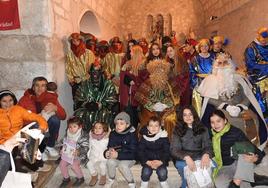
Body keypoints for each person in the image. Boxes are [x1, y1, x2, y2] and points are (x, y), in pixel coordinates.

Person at [198, 53, 268, 148]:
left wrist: (240, 107)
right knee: (228, 121)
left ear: (230, 64)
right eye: (220, 63)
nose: (222, 66)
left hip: (241, 107)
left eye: (225, 62)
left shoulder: (240, 78)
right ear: (215, 65)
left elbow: (247, 96)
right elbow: (208, 99)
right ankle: (230, 149)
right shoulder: (209, 80)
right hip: (221, 109)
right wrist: (226, 107)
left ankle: (250, 148)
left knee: (251, 118)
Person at [209, 110, 268, 188]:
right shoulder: (210, 134)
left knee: (243, 149)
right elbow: (205, 148)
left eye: (218, 121)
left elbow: (252, 147)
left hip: (239, 163)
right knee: (219, 184)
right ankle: (252, 178)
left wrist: (256, 158)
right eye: (212, 122)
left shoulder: (235, 132)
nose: (215, 125)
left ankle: (237, 182)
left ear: (225, 120)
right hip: (224, 167)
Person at [0, 89, 49, 178]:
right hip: (4, 143)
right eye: (4, 101)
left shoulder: (18, 109)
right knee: (10, 163)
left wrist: (42, 127)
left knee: (32, 138)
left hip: (19, 138)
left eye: (10, 100)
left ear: (14, 100)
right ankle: (23, 173)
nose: (8, 103)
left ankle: (36, 165)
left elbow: (36, 117)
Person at [18, 76, 66, 159]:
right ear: (33, 87)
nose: (40, 88)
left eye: (43, 85)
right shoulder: (25, 99)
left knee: (55, 119)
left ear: (47, 88)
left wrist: (56, 108)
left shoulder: (51, 98)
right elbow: (18, 117)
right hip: (31, 128)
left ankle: (49, 146)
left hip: (44, 127)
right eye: (37, 85)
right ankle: (39, 150)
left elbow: (63, 116)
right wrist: (35, 119)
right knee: (38, 124)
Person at [135, 59, 180, 140]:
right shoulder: (147, 82)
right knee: (151, 120)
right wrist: (152, 106)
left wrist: (165, 104)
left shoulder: (169, 82)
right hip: (149, 109)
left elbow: (175, 97)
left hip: (166, 108)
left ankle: (169, 141)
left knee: (170, 119)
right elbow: (140, 97)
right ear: (152, 71)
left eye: (161, 69)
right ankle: (149, 142)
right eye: (156, 69)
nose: (159, 72)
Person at [170, 105, 214, 188]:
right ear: (181, 117)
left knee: (204, 176)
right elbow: (174, 150)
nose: (188, 117)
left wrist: (206, 154)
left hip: (200, 157)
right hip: (184, 157)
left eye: (190, 114)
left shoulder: (203, 128)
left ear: (194, 115)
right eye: (185, 115)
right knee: (194, 176)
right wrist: (186, 157)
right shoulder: (177, 130)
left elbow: (208, 145)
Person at [74, 61, 117, 131]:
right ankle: (82, 136)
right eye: (93, 72)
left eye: (97, 72)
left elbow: (113, 98)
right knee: (79, 114)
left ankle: (102, 136)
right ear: (90, 73)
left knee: (103, 114)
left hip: (103, 108)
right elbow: (78, 99)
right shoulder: (84, 84)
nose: (94, 75)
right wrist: (87, 104)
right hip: (87, 108)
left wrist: (101, 104)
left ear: (101, 73)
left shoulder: (108, 84)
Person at [104, 112, 138, 188]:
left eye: (121, 123)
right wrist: (108, 152)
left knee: (122, 165)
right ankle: (111, 179)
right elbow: (110, 146)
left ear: (127, 125)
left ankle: (131, 183)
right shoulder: (113, 133)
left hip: (130, 158)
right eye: (117, 123)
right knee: (110, 162)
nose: (118, 126)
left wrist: (118, 155)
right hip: (117, 156)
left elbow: (134, 153)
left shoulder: (132, 135)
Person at [120, 45, 148, 128]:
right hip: (129, 93)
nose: (130, 53)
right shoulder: (128, 63)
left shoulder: (143, 64)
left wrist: (133, 80)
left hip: (138, 95)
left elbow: (143, 81)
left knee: (135, 114)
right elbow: (124, 76)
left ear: (136, 53)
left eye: (132, 52)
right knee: (130, 113)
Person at [138, 116, 170, 188]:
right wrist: (146, 161)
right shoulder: (144, 137)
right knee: (146, 172)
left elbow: (167, 151)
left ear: (160, 127)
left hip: (160, 160)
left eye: (156, 126)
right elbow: (140, 151)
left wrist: (162, 161)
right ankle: (144, 183)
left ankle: (163, 182)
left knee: (162, 172)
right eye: (151, 125)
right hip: (148, 160)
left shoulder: (163, 136)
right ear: (148, 127)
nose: (153, 128)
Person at [244, 27, 268, 115]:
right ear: (258, 35)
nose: (265, 40)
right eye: (263, 37)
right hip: (259, 80)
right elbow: (251, 65)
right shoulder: (251, 48)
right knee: (263, 105)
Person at [59, 117, 89, 188]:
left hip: (79, 155)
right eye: (70, 127)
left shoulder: (83, 136)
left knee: (74, 165)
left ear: (80, 127)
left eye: (74, 126)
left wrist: (79, 151)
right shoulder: (67, 133)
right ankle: (66, 178)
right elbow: (63, 142)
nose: (72, 129)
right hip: (68, 154)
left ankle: (80, 178)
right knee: (61, 164)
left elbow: (86, 147)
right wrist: (61, 149)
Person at [66, 33, 95, 99]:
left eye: (77, 40)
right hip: (76, 82)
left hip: (88, 81)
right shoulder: (69, 54)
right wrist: (71, 81)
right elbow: (68, 68)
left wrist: (89, 78)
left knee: (88, 101)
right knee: (77, 102)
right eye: (73, 41)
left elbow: (92, 67)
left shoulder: (89, 53)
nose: (75, 43)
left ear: (81, 41)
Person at [86, 122, 110, 186]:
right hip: (94, 155)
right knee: (89, 164)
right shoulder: (92, 138)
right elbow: (90, 146)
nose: (97, 129)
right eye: (95, 128)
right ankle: (94, 176)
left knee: (102, 165)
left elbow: (109, 143)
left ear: (104, 129)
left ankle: (103, 176)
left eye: (100, 128)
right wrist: (89, 154)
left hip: (103, 156)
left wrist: (108, 133)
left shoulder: (106, 138)